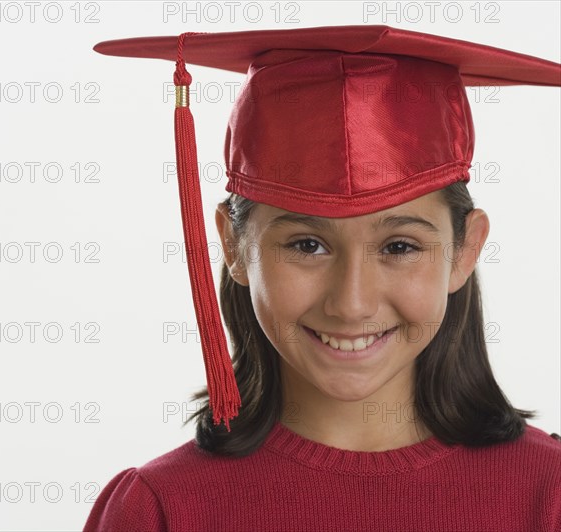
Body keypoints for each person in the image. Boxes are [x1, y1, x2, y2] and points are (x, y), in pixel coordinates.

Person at [84, 25, 561, 531]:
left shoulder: (548, 495)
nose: (351, 304)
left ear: (465, 251)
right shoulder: (160, 509)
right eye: (306, 245)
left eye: (400, 247)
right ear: (233, 246)